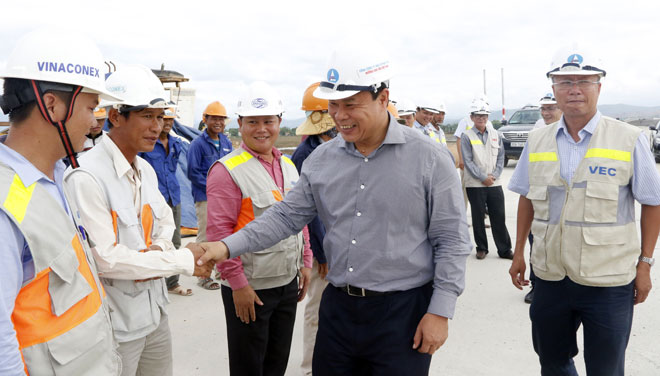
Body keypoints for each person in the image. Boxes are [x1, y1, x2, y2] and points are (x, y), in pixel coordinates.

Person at [198, 46, 471, 376]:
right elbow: (285, 216)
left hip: (403, 313)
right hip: (339, 309)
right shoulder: (322, 160)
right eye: (333, 105)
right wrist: (226, 246)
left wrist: (440, 311)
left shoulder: (429, 159)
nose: (339, 115)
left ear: (383, 98)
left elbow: (452, 241)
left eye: (350, 105)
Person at [508, 45, 660, 375]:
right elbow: (526, 199)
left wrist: (645, 264)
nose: (574, 89)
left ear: (599, 87)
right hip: (549, 277)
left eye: (583, 81)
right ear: (553, 90)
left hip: (608, 280)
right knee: (552, 361)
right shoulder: (537, 141)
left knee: (606, 368)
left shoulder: (629, 139)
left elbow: (652, 202)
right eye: (564, 82)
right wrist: (519, 252)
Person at [64, 64, 214, 376]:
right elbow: (106, 259)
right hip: (115, 323)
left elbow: (165, 223)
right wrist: (180, 261)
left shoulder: (144, 170)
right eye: (147, 115)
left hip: (154, 312)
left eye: (160, 117)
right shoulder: (86, 177)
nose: (157, 126)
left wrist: (158, 252)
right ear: (116, 116)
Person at [0, 28, 121, 376]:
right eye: (90, 107)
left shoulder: (55, 176)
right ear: (52, 104)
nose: (95, 122)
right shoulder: (6, 201)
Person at [206, 81, 312, 376]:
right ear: (240, 124)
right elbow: (219, 234)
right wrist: (238, 285)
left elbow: (298, 218)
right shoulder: (226, 170)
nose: (261, 129)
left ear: (280, 121)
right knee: (249, 367)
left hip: (286, 283)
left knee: (276, 363)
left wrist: (305, 263)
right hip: (251, 287)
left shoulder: (288, 166)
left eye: (268, 121)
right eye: (253, 122)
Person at [292, 82, 337, 376]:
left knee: (337, 312)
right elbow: (309, 217)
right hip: (321, 250)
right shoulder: (304, 156)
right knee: (317, 311)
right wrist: (319, 255)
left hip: (342, 245)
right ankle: (310, 367)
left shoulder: (341, 148)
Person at [139, 108, 192, 296]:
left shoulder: (176, 144)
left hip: (173, 196)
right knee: (153, 242)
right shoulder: (146, 146)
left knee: (175, 240)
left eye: (170, 121)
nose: (167, 124)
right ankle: (153, 280)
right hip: (154, 199)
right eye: (164, 120)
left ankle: (171, 283)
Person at [187, 100, 233, 289]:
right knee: (206, 234)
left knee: (223, 233)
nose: (218, 122)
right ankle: (202, 275)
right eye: (214, 118)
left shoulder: (226, 142)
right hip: (205, 197)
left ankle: (220, 271)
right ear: (205, 120)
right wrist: (213, 187)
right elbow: (192, 172)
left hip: (224, 198)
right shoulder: (197, 144)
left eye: (221, 119)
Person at [461, 99, 513, 260]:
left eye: (484, 115)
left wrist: (495, 175)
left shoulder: (496, 135)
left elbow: (501, 157)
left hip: (494, 183)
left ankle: (504, 250)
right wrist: (483, 178)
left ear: (487, 117)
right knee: (478, 217)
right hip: (475, 184)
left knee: (499, 216)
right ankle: (481, 248)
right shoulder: (466, 136)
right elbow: (467, 161)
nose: (481, 118)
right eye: (478, 115)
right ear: (472, 117)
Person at [524, 93, 563, 304]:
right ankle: (536, 286)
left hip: (564, 203)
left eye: (551, 108)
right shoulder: (537, 132)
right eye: (544, 108)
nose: (547, 113)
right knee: (536, 246)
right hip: (541, 202)